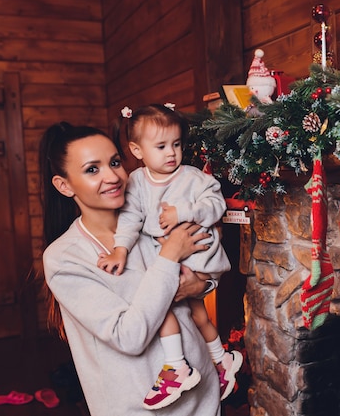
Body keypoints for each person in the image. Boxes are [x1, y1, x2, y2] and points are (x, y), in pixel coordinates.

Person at [39, 122, 221, 415]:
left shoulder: (152, 221)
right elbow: (129, 336)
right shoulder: (64, 258)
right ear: (64, 185)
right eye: (92, 169)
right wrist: (170, 254)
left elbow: (202, 272)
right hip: (139, 409)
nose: (113, 177)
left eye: (114, 162)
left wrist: (202, 285)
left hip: (204, 399)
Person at [96, 104, 243, 406]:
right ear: (137, 150)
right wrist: (121, 249)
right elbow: (130, 218)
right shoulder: (136, 182)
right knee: (197, 313)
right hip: (173, 256)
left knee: (163, 307)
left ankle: (176, 365)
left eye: (176, 144)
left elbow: (216, 205)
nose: (171, 153)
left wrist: (184, 212)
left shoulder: (192, 177)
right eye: (161, 146)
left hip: (199, 253)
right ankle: (221, 359)